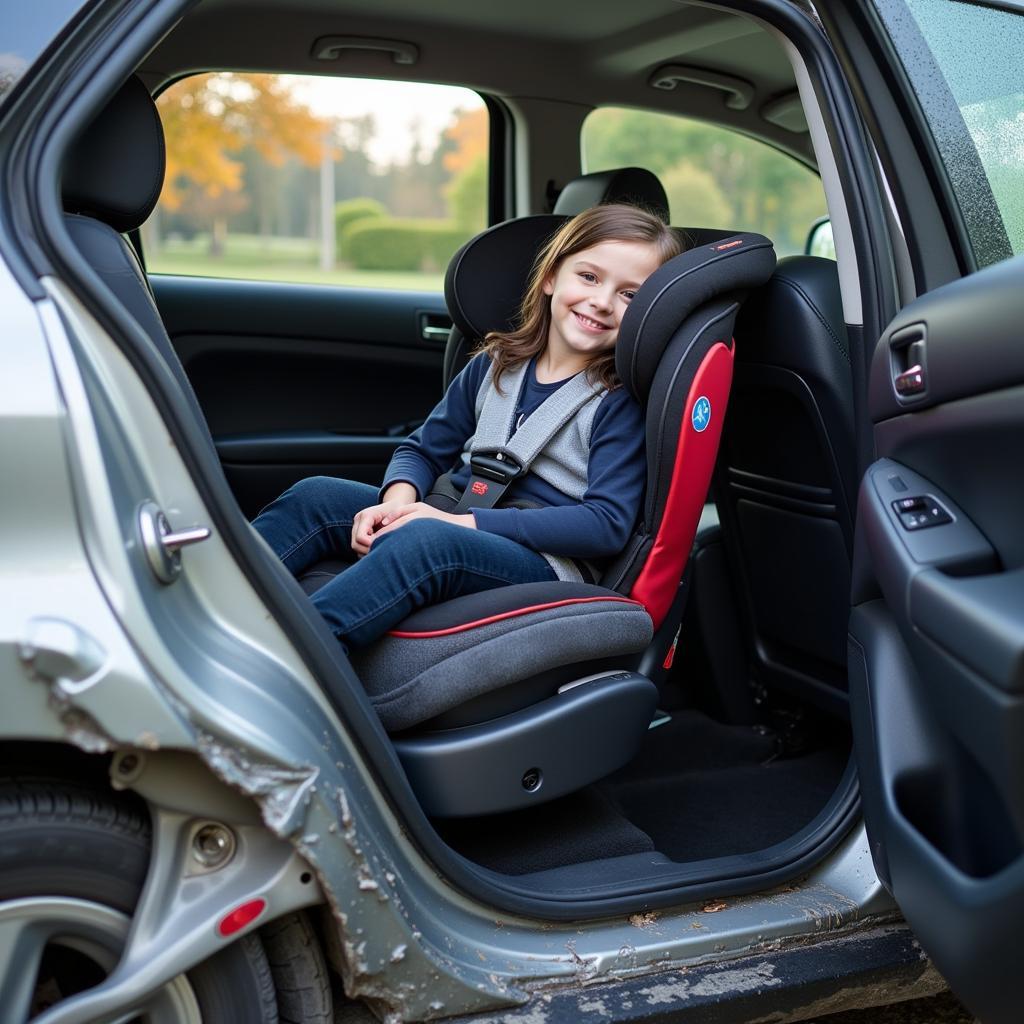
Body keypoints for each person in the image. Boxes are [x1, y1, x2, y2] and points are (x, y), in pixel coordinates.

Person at [252, 204, 681, 653]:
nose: (602, 301)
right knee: (316, 495)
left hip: (542, 558)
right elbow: (422, 449)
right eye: (589, 277)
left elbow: (605, 525)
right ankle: (215, 604)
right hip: (450, 514)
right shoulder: (494, 366)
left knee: (425, 540)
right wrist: (397, 500)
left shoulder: (617, 402)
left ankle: (295, 660)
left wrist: (459, 523)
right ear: (552, 277)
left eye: (630, 295)